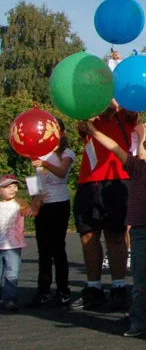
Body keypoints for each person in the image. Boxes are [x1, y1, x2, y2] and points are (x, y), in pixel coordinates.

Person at [84, 122, 146, 339]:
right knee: (141, 281)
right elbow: (114, 147)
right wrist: (94, 131)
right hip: (140, 233)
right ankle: (141, 322)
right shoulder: (137, 167)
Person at [72, 100, 137, 311]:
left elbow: (133, 109)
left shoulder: (125, 114)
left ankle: (118, 288)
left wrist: (116, 104)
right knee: (87, 235)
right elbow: (83, 126)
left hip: (117, 179)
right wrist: (96, 108)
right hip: (88, 181)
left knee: (116, 235)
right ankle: (94, 289)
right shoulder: (91, 116)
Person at [28, 124, 76, 308]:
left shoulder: (67, 153)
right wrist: (34, 197)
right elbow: (35, 178)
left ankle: (63, 290)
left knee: (58, 248)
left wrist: (45, 163)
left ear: (62, 133)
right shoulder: (39, 153)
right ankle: (43, 290)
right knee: (43, 249)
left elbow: (62, 172)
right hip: (43, 204)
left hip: (59, 203)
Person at [0, 174, 42, 311]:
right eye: (8, 186)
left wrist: (36, 200)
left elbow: (32, 212)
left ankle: (9, 299)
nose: (13, 189)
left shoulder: (20, 202)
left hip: (13, 245)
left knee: (12, 273)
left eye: (15, 186)